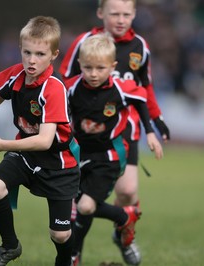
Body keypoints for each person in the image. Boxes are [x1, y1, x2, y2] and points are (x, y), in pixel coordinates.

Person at [59, 1, 170, 264]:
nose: (120, 20)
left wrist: (156, 121)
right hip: (84, 136)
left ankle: (122, 236)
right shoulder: (84, 42)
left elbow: (145, 88)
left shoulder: (140, 47)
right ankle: (76, 254)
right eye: (114, 14)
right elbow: (63, 82)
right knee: (82, 200)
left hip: (122, 131)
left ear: (134, 15)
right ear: (101, 13)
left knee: (128, 192)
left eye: (126, 14)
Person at [0, 16, 80, 266]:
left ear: (53, 55)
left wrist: (2, 145)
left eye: (40, 54)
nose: (32, 60)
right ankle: (10, 246)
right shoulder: (17, 76)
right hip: (25, 155)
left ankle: (65, 261)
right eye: (27, 52)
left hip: (58, 163)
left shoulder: (53, 88)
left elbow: (44, 141)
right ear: (20, 49)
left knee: (60, 235)